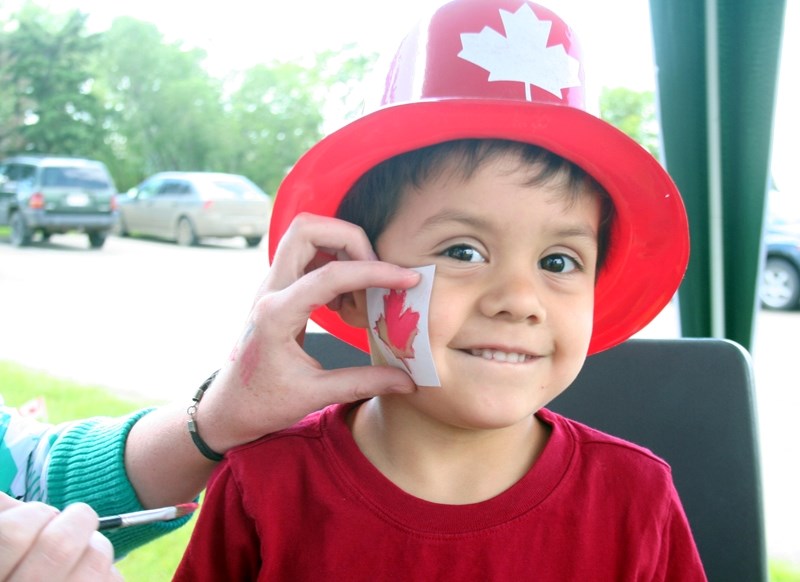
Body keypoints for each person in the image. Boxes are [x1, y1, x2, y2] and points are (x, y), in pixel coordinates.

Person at [175, 0, 705, 580]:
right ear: (349, 281)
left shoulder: (637, 498)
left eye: (558, 260)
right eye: (463, 252)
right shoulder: (264, 487)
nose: (519, 300)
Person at [0, 251, 417, 580]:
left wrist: (215, 418)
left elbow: (28, 466)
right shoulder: (266, 482)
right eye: (462, 252)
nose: (487, 300)